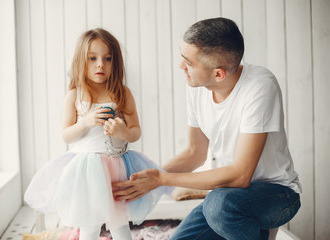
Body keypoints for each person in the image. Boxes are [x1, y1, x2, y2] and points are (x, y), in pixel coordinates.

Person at [113, 17, 301, 240]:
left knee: (217, 204)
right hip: (227, 198)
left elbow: (241, 175)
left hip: (277, 195)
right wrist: (144, 180)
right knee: (213, 208)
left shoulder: (260, 85)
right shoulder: (197, 86)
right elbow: (195, 153)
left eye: (189, 63)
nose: (181, 66)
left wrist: (162, 180)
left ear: (218, 74)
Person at [24, 28, 168, 240]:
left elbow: (136, 131)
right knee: (90, 226)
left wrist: (123, 131)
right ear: (81, 61)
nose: (100, 64)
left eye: (107, 59)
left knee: (119, 225)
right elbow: (66, 135)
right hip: (87, 171)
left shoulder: (121, 92)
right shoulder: (75, 95)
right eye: (92, 58)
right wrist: (85, 123)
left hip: (117, 167)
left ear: (115, 62)